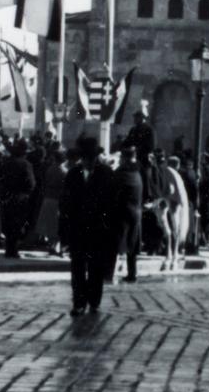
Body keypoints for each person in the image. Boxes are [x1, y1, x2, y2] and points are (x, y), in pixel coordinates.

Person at [58, 135, 120, 316]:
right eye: (85, 158)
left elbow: (114, 204)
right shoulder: (72, 175)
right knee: (77, 268)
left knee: (96, 268)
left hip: (99, 231)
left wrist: (110, 230)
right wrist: (64, 232)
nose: (88, 162)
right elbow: (65, 204)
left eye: (91, 159)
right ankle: (78, 302)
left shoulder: (107, 174)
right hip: (77, 230)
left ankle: (94, 301)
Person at [116, 145, 144, 283]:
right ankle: (132, 273)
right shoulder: (138, 174)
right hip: (136, 212)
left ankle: (111, 271)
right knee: (132, 246)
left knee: (117, 242)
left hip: (122, 212)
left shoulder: (121, 173)